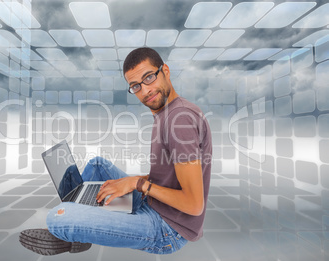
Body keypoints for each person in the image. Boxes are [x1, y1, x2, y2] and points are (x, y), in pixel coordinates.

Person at [19, 47, 212, 255]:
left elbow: (193, 205)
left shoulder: (180, 120)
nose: (145, 90)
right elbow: (171, 176)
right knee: (97, 165)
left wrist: (137, 183)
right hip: (154, 203)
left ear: (165, 70)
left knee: (56, 216)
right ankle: (84, 215)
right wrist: (133, 182)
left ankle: (75, 225)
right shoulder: (168, 112)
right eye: (136, 86)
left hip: (167, 228)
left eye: (149, 77)